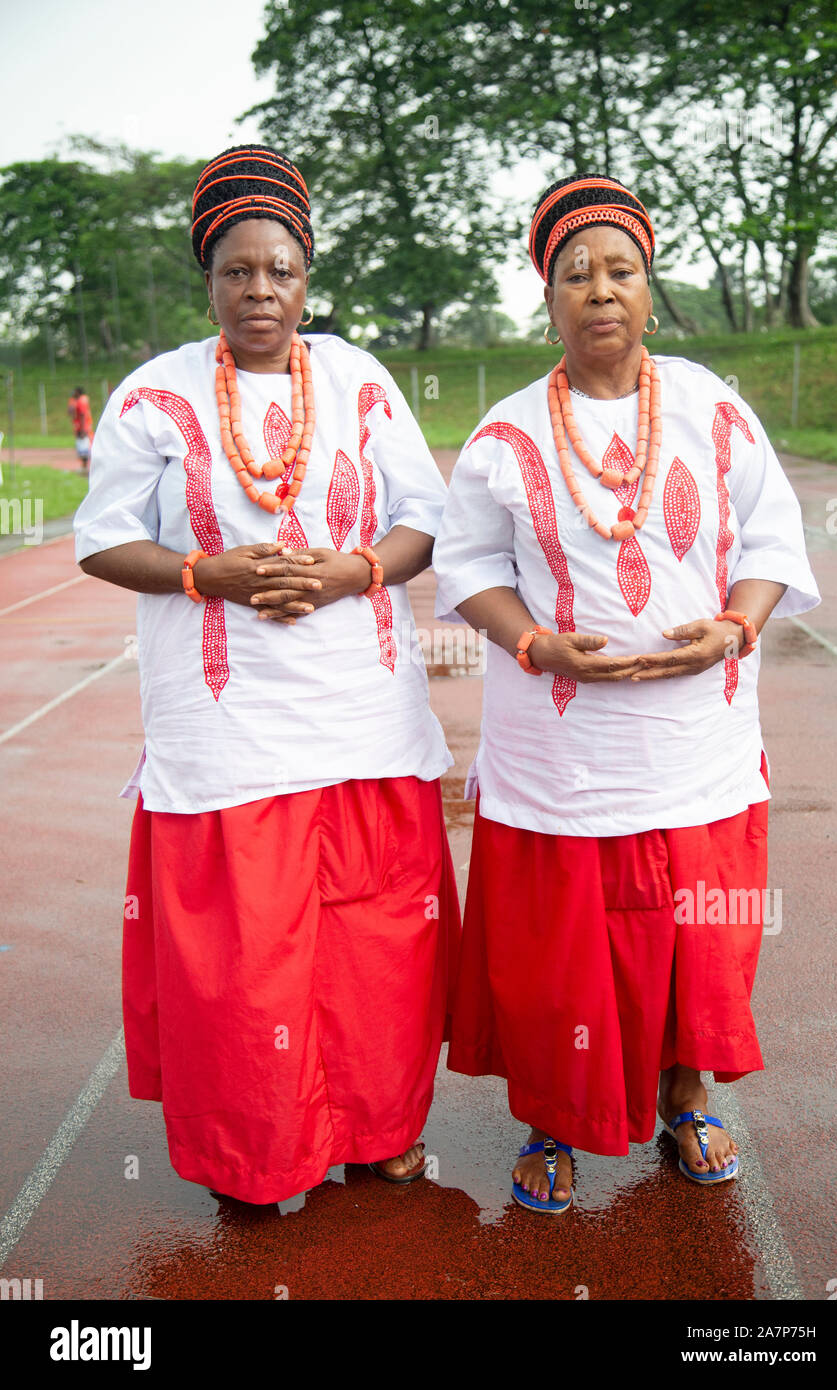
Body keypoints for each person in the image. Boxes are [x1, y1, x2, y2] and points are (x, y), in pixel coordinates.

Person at [74, 145, 460, 1204]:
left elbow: (426, 518)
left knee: (375, 937)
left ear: (306, 276)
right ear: (208, 278)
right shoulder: (153, 394)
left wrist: (353, 570)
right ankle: (256, 1159)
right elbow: (100, 539)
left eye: (279, 270)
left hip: (361, 716)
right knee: (246, 965)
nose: (259, 291)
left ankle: (379, 1129)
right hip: (226, 729)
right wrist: (211, 572)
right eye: (237, 271)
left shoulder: (359, 379)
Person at [433, 175, 820, 1212]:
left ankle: (687, 1090)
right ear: (546, 298)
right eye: (575, 274)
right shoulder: (506, 434)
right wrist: (538, 646)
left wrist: (734, 625)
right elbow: (465, 568)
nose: (599, 290)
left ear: (649, 288)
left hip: (693, 736)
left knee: (697, 932)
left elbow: (774, 538)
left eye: (620, 270)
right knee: (559, 942)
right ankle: (551, 1113)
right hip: (558, 746)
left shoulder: (711, 406)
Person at [68, 387, 94, 471]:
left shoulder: (81, 401)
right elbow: (70, 412)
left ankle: (85, 466)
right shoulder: (76, 401)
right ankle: (84, 465)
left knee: (84, 446)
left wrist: (83, 429)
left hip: (83, 426)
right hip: (81, 426)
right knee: (82, 445)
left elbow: (82, 414)